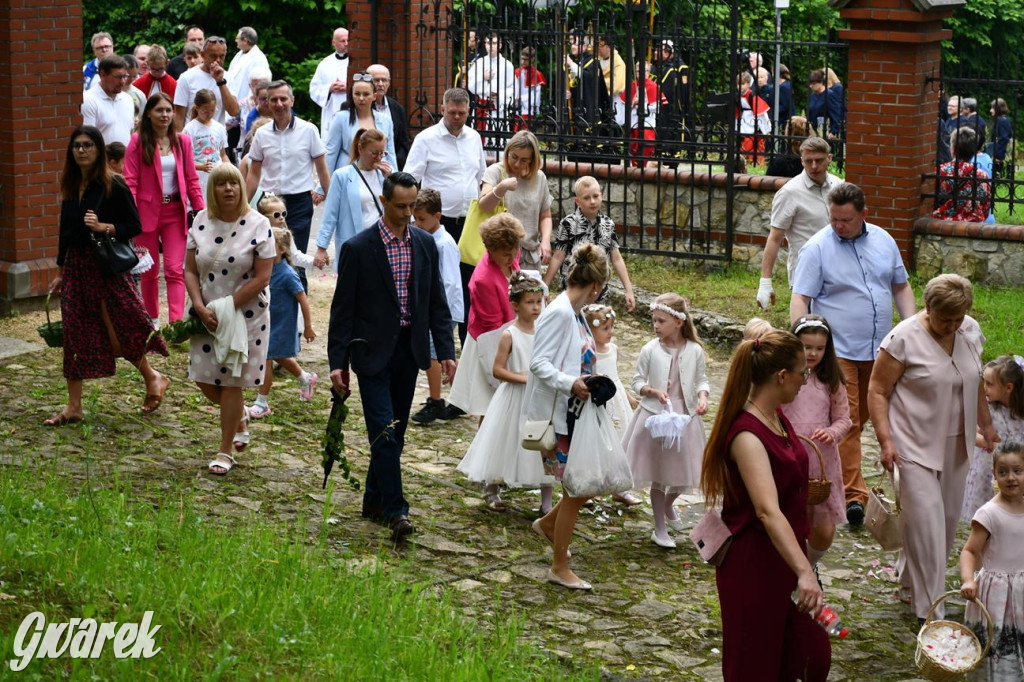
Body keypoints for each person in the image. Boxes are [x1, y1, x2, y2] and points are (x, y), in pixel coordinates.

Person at [327, 172, 456, 540]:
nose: (408, 213)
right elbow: (342, 312)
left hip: (407, 350)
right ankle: (396, 510)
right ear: (384, 202)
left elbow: (435, 302)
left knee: (395, 433)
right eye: (401, 206)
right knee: (383, 430)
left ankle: (372, 498)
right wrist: (338, 362)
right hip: (369, 352)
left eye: (413, 206)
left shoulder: (424, 245)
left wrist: (445, 350)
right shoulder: (358, 248)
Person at [700, 329, 831, 681]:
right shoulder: (746, 434)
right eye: (803, 373)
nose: (806, 380)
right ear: (781, 376)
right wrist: (806, 571)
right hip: (754, 564)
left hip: (785, 557)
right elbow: (766, 510)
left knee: (810, 653)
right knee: (755, 666)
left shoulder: (776, 416)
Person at [867, 274, 998, 620]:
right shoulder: (902, 339)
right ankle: (932, 614)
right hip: (911, 443)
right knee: (927, 527)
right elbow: (877, 391)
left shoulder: (969, 330)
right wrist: (886, 441)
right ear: (927, 307)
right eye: (946, 319)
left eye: (959, 318)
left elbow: (975, 380)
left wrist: (985, 424)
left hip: (957, 444)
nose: (953, 326)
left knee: (945, 523)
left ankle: (910, 583)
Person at [790, 182, 917, 525]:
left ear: (863, 214)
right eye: (833, 218)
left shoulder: (884, 241)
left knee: (874, 419)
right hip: (839, 350)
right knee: (848, 421)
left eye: (845, 220)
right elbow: (800, 297)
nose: (838, 226)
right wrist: (803, 344)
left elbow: (900, 286)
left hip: (882, 349)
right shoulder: (817, 248)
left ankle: (863, 485)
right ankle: (852, 496)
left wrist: (914, 328)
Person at [45, 125, 170, 426]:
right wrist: (61, 270)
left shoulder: (114, 183)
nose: (82, 150)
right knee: (74, 334)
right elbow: (66, 232)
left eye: (88, 145)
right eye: (77, 146)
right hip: (76, 268)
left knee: (120, 330)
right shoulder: (71, 185)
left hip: (105, 268)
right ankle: (74, 406)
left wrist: (104, 227)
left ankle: (153, 377)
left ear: (99, 149)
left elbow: (133, 225)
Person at [526, 243, 610, 590]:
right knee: (578, 488)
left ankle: (548, 524)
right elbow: (538, 363)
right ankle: (559, 565)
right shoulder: (560, 312)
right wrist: (570, 383)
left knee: (586, 484)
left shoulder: (575, 313)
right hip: (562, 413)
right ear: (597, 285)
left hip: (578, 412)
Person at [184, 164, 274, 476]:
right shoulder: (200, 220)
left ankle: (224, 451)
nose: (228, 189)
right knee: (203, 376)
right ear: (213, 189)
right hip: (206, 312)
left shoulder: (259, 224)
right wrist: (198, 304)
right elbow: (190, 269)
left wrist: (226, 306)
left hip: (245, 313)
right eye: (221, 184)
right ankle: (239, 417)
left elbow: (263, 277)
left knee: (231, 379)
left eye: (233, 184)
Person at [456, 273, 552, 510]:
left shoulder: (544, 330)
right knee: (503, 439)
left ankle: (546, 500)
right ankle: (492, 487)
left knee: (544, 441)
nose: (536, 308)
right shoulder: (509, 335)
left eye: (539, 302)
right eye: (530, 302)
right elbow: (498, 370)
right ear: (515, 305)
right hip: (514, 395)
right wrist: (522, 378)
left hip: (538, 396)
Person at [623, 293, 709, 548]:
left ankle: (670, 504)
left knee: (687, 472)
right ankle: (659, 528)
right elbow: (636, 382)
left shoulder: (694, 350)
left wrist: (702, 397)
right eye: (654, 320)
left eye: (661, 321)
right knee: (659, 474)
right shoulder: (650, 349)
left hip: (685, 416)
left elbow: (701, 380)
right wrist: (652, 391)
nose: (656, 326)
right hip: (655, 418)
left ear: (679, 322)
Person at [404, 87, 487, 344]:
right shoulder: (426, 139)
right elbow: (410, 179)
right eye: (452, 112)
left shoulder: (474, 138)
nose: (457, 117)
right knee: (444, 281)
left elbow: (481, 176)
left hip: (471, 222)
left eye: (462, 113)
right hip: (440, 223)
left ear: (468, 112)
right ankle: (438, 337)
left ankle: (468, 336)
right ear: (442, 110)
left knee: (471, 280)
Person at [124, 93, 205, 326]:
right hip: (145, 212)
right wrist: (130, 214)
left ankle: (176, 323)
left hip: (175, 212)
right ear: (149, 113)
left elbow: (191, 179)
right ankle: (153, 320)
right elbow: (130, 181)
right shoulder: (137, 141)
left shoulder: (183, 141)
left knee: (174, 269)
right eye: (159, 110)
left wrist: (200, 211)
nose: (165, 115)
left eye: (169, 110)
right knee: (149, 271)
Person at [245, 80, 332, 291]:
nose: (279, 103)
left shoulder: (309, 130)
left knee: (296, 257)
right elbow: (254, 172)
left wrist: (331, 202)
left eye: (283, 98)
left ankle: (299, 311)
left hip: (300, 201)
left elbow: (322, 169)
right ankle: (271, 300)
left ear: (291, 100)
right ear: (267, 103)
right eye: (273, 99)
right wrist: (244, 205)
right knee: (269, 254)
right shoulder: (262, 134)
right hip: (269, 203)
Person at [781, 315, 851, 571]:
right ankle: (789, 568)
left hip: (821, 462)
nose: (812, 353)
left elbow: (844, 419)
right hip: (788, 456)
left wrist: (832, 432)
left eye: (819, 348)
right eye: (806, 347)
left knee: (823, 528)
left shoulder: (831, 381)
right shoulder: (784, 376)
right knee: (788, 519)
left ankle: (806, 567)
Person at [447, 214, 524, 422]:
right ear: (489, 249)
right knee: (490, 406)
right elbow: (493, 328)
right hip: (490, 342)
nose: (513, 257)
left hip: (510, 332)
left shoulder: (511, 252)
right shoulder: (483, 281)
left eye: (515, 250)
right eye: (507, 254)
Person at [960, 440, 1024, 681]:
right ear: (994, 474)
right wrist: (968, 580)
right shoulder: (989, 513)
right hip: (996, 596)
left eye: (1018, 470)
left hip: (1021, 591)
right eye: (1003, 472)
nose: (1011, 478)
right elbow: (969, 551)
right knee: (998, 646)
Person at [758, 136, 840, 310]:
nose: (814, 166)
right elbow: (774, 238)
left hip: (838, 271)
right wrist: (765, 282)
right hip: (806, 276)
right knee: (810, 331)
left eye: (819, 160)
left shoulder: (839, 187)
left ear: (829, 159)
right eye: (808, 161)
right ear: (801, 161)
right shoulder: (789, 192)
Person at [247, 227, 317, 420]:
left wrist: (308, 326)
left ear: (282, 250)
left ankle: (261, 403)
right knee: (278, 357)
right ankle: (306, 377)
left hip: (280, 325)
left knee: (266, 359)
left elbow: (303, 299)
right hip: (265, 322)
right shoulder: (263, 269)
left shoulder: (287, 274)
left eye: (269, 245)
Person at [409, 188, 464, 425]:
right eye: (415, 219)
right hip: (433, 308)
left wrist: (438, 313)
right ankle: (462, 396)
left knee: (433, 354)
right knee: (441, 354)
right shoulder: (427, 239)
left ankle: (435, 401)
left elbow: (450, 282)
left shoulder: (444, 244)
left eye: (422, 219)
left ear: (438, 216)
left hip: (443, 309)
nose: (417, 224)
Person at [546, 176, 636, 310]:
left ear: (601, 196)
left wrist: (628, 290)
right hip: (573, 290)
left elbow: (616, 258)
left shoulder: (608, 224)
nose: (592, 201)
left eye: (595, 196)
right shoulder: (568, 224)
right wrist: (545, 285)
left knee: (595, 327)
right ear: (577, 201)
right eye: (586, 198)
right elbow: (558, 256)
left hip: (598, 291)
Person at [314, 128, 391, 271]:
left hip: (381, 243)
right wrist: (321, 247)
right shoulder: (342, 176)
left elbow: (393, 209)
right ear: (360, 148)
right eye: (374, 153)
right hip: (355, 243)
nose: (379, 158)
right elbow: (330, 214)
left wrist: (389, 181)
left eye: (382, 153)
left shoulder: (383, 176)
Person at [476, 130, 552, 271]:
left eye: (524, 160)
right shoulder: (495, 172)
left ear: (533, 159)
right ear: (507, 151)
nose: (517, 164)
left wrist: (546, 241)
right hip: (500, 254)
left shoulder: (539, 177)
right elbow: (484, 206)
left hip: (529, 255)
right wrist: (502, 187)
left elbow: (545, 215)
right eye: (514, 157)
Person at [962, 356, 1024, 521]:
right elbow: (970, 432)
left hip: (1016, 473)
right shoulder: (986, 408)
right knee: (986, 514)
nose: (984, 389)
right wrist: (988, 443)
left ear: (1009, 387)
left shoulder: (1020, 414)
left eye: (989, 384)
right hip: (986, 469)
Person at [322, 71, 397, 178]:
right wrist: (323, 186)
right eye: (357, 94)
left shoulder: (386, 120)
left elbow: (390, 153)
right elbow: (331, 153)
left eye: (366, 94)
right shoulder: (341, 118)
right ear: (352, 95)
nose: (361, 98)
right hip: (348, 174)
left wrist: (394, 179)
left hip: (377, 175)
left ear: (374, 96)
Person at [173, 36, 240, 131]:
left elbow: (234, 111)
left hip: (217, 140)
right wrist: (179, 143)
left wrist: (220, 82)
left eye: (222, 56)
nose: (218, 60)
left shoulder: (228, 78)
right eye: (213, 56)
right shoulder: (186, 78)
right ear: (203, 55)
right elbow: (179, 117)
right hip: (192, 140)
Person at [933, 126, 992, 222]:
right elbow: (986, 207)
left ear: (953, 149)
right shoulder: (982, 176)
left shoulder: (940, 171)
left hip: (943, 223)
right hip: (973, 226)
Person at [616, 61, 667, 168]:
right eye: (638, 70)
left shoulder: (654, 87)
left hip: (647, 126)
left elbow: (658, 108)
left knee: (645, 154)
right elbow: (622, 107)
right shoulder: (632, 86)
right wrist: (631, 103)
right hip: (633, 126)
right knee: (634, 154)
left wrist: (642, 104)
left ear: (648, 72)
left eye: (642, 70)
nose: (639, 73)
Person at [466, 33, 516, 141]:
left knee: (497, 142)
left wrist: (498, 95)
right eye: (489, 43)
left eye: (494, 43)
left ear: (500, 45)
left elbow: (513, 88)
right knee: (479, 142)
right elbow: (470, 85)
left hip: (497, 110)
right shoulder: (479, 63)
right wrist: (482, 78)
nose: (491, 46)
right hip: (481, 109)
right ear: (485, 45)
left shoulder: (507, 65)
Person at [183, 89, 229, 199]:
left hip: (217, 178)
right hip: (199, 180)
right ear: (197, 108)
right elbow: (184, 161)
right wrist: (200, 167)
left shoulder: (219, 127)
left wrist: (229, 168)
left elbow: (222, 155)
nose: (209, 114)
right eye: (205, 111)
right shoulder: (189, 129)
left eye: (213, 111)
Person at [81, 55, 135, 147]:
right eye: (118, 77)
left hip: (125, 160)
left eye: (124, 76)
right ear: (102, 75)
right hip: (102, 160)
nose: (122, 82)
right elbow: (88, 139)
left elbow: (130, 133)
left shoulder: (128, 99)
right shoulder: (88, 100)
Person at [366, 64, 412, 170]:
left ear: (389, 82)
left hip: (390, 166)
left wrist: (395, 164)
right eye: (376, 80)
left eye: (384, 80)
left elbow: (403, 143)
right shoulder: (361, 107)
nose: (381, 84)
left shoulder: (398, 109)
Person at [309, 28, 350, 138]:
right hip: (331, 112)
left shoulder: (356, 61)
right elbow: (314, 88)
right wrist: (329, 89)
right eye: (342, 41)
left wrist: (349, 87)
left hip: (352, 111)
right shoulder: (325, 63)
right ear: (334, 43)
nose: (346, 44)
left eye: (348, 40)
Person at [736, 72, 770, 167]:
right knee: (745, 143)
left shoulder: (752, 96)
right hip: (744, 121)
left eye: (742, 84)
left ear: (748, 84)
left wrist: (766, 129)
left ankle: (756, 163)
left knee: (754, 144)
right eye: (738, 84)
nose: (740, 87)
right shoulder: (738, 96)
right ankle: (744, 162)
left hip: (753, 122)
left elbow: (762, 114)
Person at [513, 46, 546, 130]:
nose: (523, 61)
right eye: (522, 58)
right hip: (516, 109)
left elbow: (535, 96)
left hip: (528, 110)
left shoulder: (536, 74)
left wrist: (520, 98)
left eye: (526, 59)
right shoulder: (517, 72)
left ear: (532, 59)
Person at [807, 68, 844, 139]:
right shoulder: (812, 95)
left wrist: (833, 132)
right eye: (810, 83)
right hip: (813, 132)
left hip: (826, 132)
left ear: (821, 82)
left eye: (813, 84)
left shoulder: (830, 95)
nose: (811, 86)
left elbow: (836, 115)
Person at [988, 98, 1013, 176]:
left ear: (998, 109)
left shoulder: (1003, 121)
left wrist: (998, 156)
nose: (990, 110)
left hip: (999, 156)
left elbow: (1003, 139)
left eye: (993, 108)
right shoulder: (1000, 120)